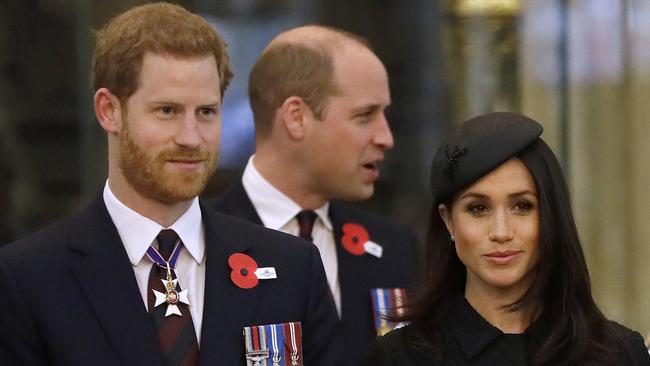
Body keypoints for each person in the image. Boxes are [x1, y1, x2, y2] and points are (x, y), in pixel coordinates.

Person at [0, 3, 341, 365]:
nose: (191, 137)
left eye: (206, 112)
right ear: (108, 111)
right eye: (167, 111)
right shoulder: (29, 280)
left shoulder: (292, 268)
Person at [365, 112, 650, 365]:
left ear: (551, 215)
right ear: (448, 220)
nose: (501, 232)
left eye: (522, 206)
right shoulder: (400, 358)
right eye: (478, 208)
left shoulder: (619, 354)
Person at [209, 25, 418, 366]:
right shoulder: (198, 244)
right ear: (296, 117)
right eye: (365, 116)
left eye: (384, 114)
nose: (386, 137)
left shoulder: (393, 248)